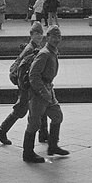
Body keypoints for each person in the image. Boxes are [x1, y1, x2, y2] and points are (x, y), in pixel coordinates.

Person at [0, 22, 45, 145]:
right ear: (31, 34)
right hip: (26, 85)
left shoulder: (35, 47)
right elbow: (22, 68)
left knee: (39, 106)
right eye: (36, 33)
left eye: (41, 34)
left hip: (28, 83)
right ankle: (1, 131)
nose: (39, 36)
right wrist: (25, 86)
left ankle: (44, 134)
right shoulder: (30, 49)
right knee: (20, 110)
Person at [22, 25, 68, 163]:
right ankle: (28, 153)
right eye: (54, 37)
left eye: (59, 37)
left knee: (57, 116)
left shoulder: (52, 52)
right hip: (39, 92)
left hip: (48, 89)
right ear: (47, 37)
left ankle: (53, 146)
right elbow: (33, 75)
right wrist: (43, 92)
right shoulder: (45, 53)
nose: (56, 39)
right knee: (34, 123)